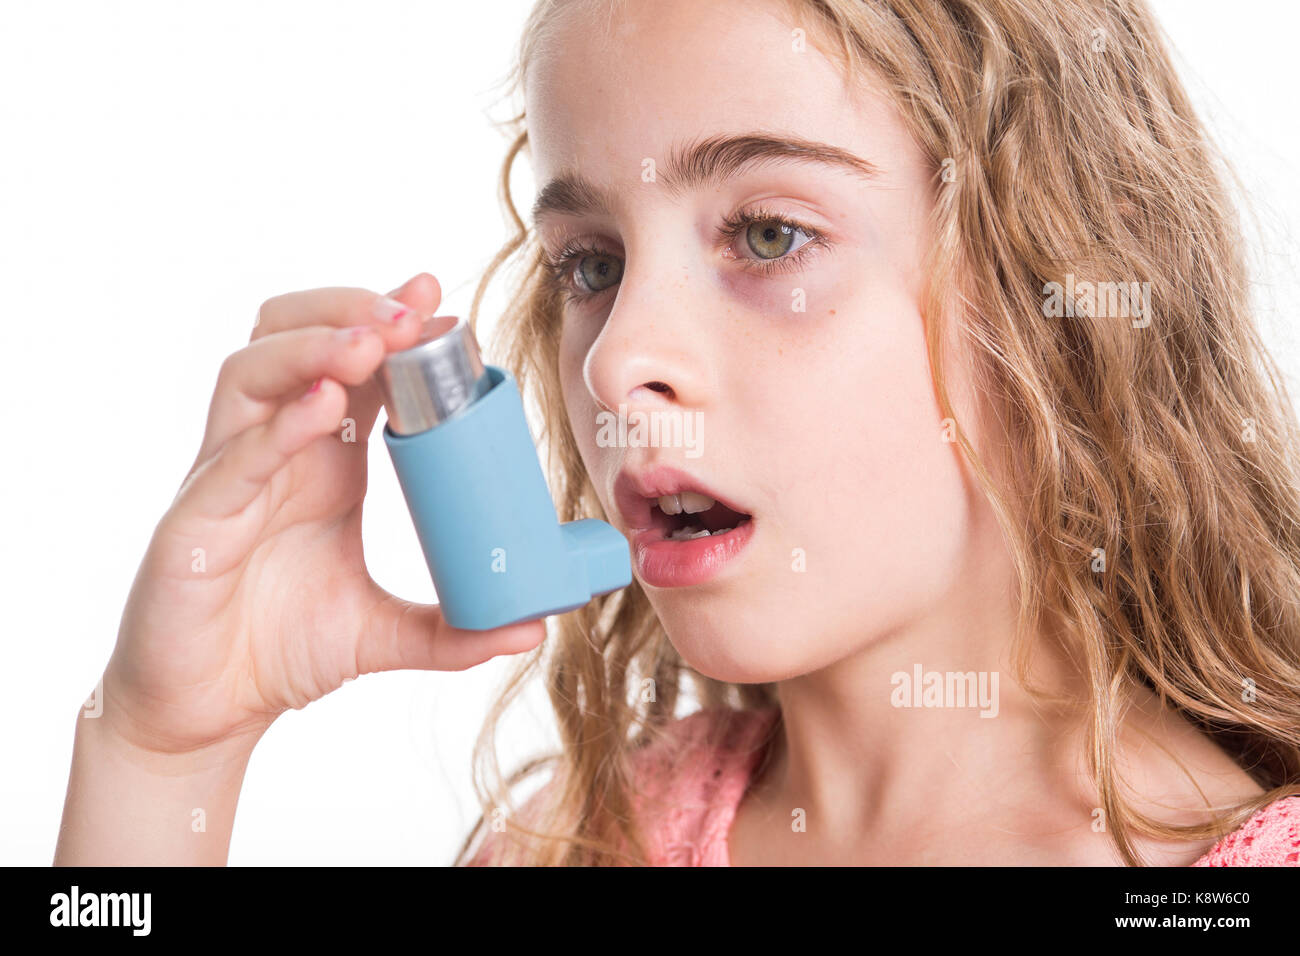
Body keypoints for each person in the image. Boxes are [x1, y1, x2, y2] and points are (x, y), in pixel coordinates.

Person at [56, 0, 1300, 867]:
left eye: (768, 234)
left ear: (1052, 291)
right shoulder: (578, 839)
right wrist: (164, 752)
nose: (615, 355)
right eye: (591, 261)